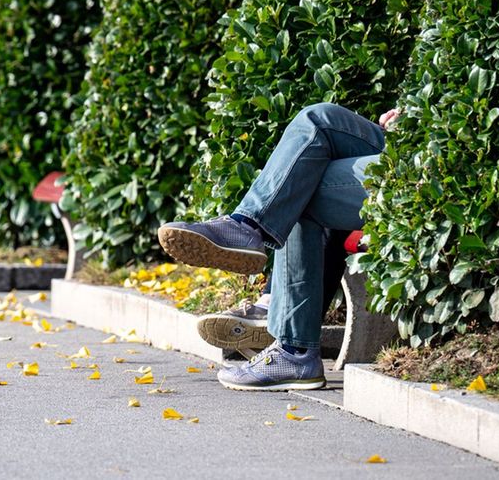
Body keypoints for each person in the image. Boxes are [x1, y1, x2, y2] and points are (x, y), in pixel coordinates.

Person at [158, 102, 400, 391]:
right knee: (319, 118)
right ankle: (246, 228)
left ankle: (292, 347)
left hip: (434, 152)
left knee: (301, 185)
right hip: (404, 139)